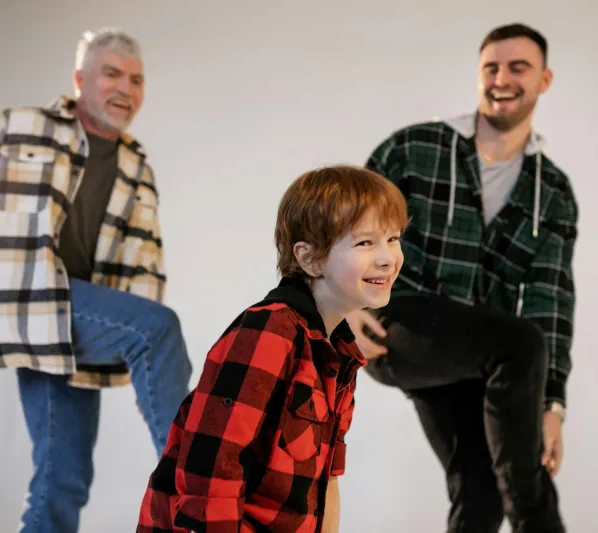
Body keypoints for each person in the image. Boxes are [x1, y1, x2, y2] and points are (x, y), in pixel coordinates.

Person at [0, 28, 193, 533]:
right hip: (27, 309)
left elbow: (144, 266)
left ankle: (189, 487)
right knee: (158, 330)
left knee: (65, 477)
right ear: (79, 78)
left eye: (136, 79)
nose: (125, 89)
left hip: (75, 328)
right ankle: (196, 490)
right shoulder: (15, 127)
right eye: (111, 73)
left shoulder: (137, 166)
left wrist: (147, 367)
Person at [350, 23, 579, 533]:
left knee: (479, 496)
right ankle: (536, 521)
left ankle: (515, 507)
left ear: (544, 80)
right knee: (520, 342)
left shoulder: (553, 193)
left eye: (518, 67)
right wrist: (344, 308)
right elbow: (344, 226)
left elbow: (550, 300)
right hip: (399, 324)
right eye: (491, 67)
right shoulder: (415, 148)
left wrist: (551, 406)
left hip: (482, 356)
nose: (502, 78)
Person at [136, 165, 407, 533]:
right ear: (309, 258)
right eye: (365, 242)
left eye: (393, 238)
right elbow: (211, 472)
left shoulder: (340, 352)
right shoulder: (269, 333)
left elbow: (327, 481)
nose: (388, 257)